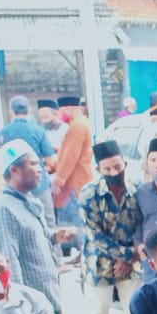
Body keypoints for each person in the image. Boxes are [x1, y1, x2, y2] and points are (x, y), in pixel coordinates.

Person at [0, 140, 76, 314]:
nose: (40, 169)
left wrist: (54, 236)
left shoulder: (27, 200)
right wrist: (21, 310)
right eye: (33, 164)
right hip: (33, 310)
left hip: (49, 299)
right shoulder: (4, 209)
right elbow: (9, 263)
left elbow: (32, 239)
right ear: (14, 170)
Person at [78, 139, 142, 314]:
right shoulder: (89, 193)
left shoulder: (137, 189)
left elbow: (142, 226)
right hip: (98, 264)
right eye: (107, 168)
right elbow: (94, 235)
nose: (114, 172)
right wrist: (126, 254)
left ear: (125, 163)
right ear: (98, 169)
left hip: (132, 264)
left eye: (117, 166)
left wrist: (131, 258)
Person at [50, 96, 94, 230]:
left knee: (75, 224)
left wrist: (59, 180)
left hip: (75, 181)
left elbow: (71, 156)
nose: (60, 116)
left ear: (69, 109)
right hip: (78, 177)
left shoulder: (77, 126)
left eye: (60, 111)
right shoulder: (80, 123)